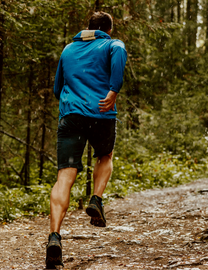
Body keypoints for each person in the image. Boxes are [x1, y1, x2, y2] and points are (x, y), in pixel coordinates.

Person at [45, 11, 127, 269]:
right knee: (105, 156)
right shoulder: (113, 44)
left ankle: (54, 236)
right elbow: (119, 57)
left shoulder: (68, 49)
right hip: (101, 113)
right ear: (108, 29)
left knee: (64, 176)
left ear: (89, 28)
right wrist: (113, 90)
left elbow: (58, 88)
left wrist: (75, 98)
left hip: (71, 116)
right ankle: (96, 200)